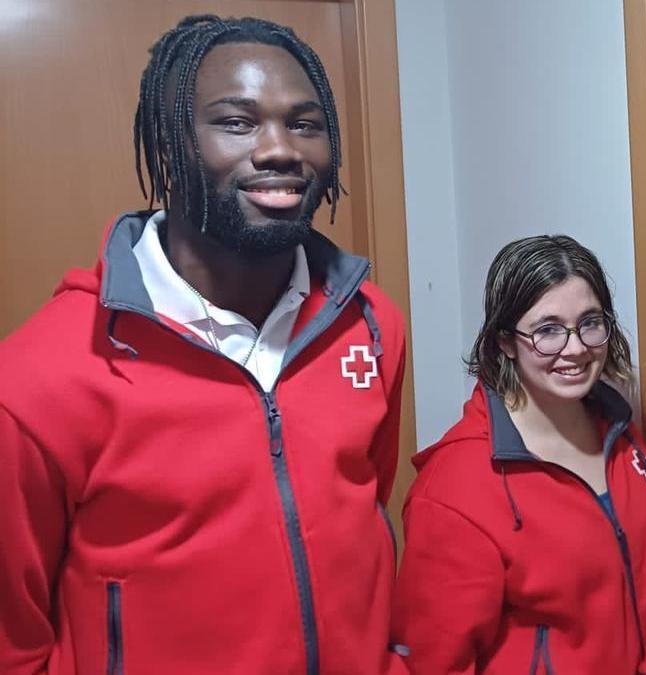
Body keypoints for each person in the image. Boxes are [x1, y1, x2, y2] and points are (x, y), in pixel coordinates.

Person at [0, 16, 408, 674]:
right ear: (168, 147)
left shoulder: (371, 323)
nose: (280, 149)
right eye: (237, 122)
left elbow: (367, 518)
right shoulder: (38, 379)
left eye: (304, 123)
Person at [392, 235, 646, 673]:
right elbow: (435, 661)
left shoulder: (620, 430)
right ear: (505, 341)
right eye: (547, 330)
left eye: (590, 322)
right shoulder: (455, 488)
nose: (576, 348)